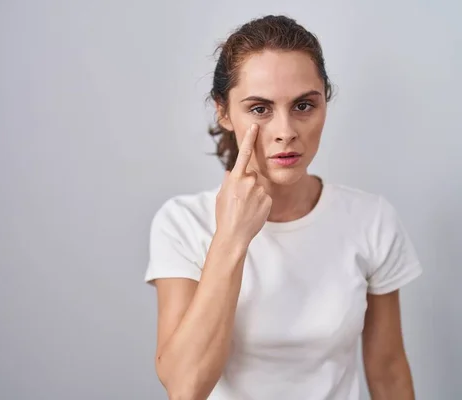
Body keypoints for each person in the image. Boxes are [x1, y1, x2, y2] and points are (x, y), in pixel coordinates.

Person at [144, 15, 422, 400]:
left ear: (325, 101)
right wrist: (231, 238)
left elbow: (389, 372)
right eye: (259, 109)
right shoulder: (182, 223)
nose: (286, 130)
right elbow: (185, 386)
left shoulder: (371, 220)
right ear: (223, 111)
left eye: (304, 105)